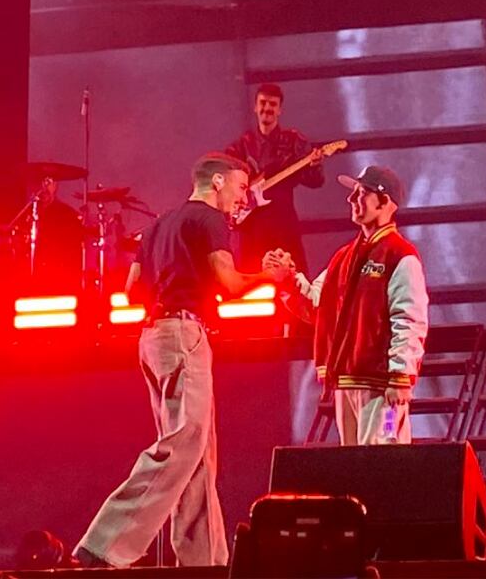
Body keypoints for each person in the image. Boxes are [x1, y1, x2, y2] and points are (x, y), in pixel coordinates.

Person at [74, 154, 292, 568]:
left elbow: (131, 290)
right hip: (184, 334)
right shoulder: (210, 221)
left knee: (198, 457)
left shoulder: (159, 224)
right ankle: (104, 542)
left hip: (154, 337)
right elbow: (228, 284)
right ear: (217, 183)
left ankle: (205, 564)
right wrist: (269, 277)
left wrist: (174, 282)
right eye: (241, 187)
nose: (242, 197)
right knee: (186, 441)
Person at [272, 165, 427, 445]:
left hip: (381, 384)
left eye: (361, 193)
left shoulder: (399, 255)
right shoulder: (344, 257)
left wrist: (400, 376)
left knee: (385, 453)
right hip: (348, 382)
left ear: (384, 202)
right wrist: (287, 280)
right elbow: (315, 306)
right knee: (356, 463)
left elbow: (408, 318)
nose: (351, 199)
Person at [225, 83, 326, 274]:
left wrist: (314, 165)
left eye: (273, 104)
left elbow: (316, 181)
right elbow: (225, 183)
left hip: (283, 225)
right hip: (251, 230)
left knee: (293, 280)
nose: (267, 108)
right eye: (263, 103)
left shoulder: (294, 142)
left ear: (280, 109)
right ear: (255, 107)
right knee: (251, 284)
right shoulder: (240, 147)